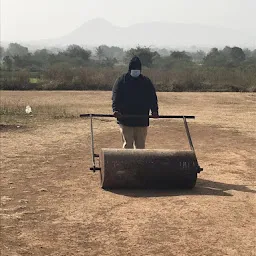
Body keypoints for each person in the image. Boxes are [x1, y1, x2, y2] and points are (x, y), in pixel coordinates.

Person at [112, 56, 159, 149]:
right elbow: (115, 97)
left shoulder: (146, 82)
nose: (136, 71)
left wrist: (155, 111)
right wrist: (116, 110)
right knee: (128, 145)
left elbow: (152, 97)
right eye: (134, 69)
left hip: (142, 120)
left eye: (137, 69)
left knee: (140, 146)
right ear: (130, 69)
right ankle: (128, 163)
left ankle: (139, 164)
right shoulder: (121, 81)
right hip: (125, 120)